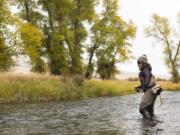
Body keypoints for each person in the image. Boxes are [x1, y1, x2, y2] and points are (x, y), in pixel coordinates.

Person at [135, 54, 157, 119]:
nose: (138, 64)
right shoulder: (147, 70)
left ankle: (147, 124)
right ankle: (152, 124)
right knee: (149, 109)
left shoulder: (145, 71)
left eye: (139, 62)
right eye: (137, 63)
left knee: (142, 109)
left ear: (143, 63)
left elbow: (147, 81)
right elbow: (146, 83)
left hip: (150, 91)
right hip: (152, 91)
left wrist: (142, 87)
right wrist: (139, 87)